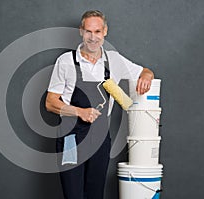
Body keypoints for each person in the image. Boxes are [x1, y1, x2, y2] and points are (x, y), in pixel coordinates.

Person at [46, 10, 154, 199]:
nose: (92, 37)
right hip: (71, 138)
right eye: (88, 31)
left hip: (100, 139)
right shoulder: (66, 61)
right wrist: (79, 111)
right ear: (81, 31)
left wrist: (146, 75)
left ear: (105, 31)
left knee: (95, 193)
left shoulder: (114, 60)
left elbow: (145, 71)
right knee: (73, 194)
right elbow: (50, 102)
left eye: (97, 32)